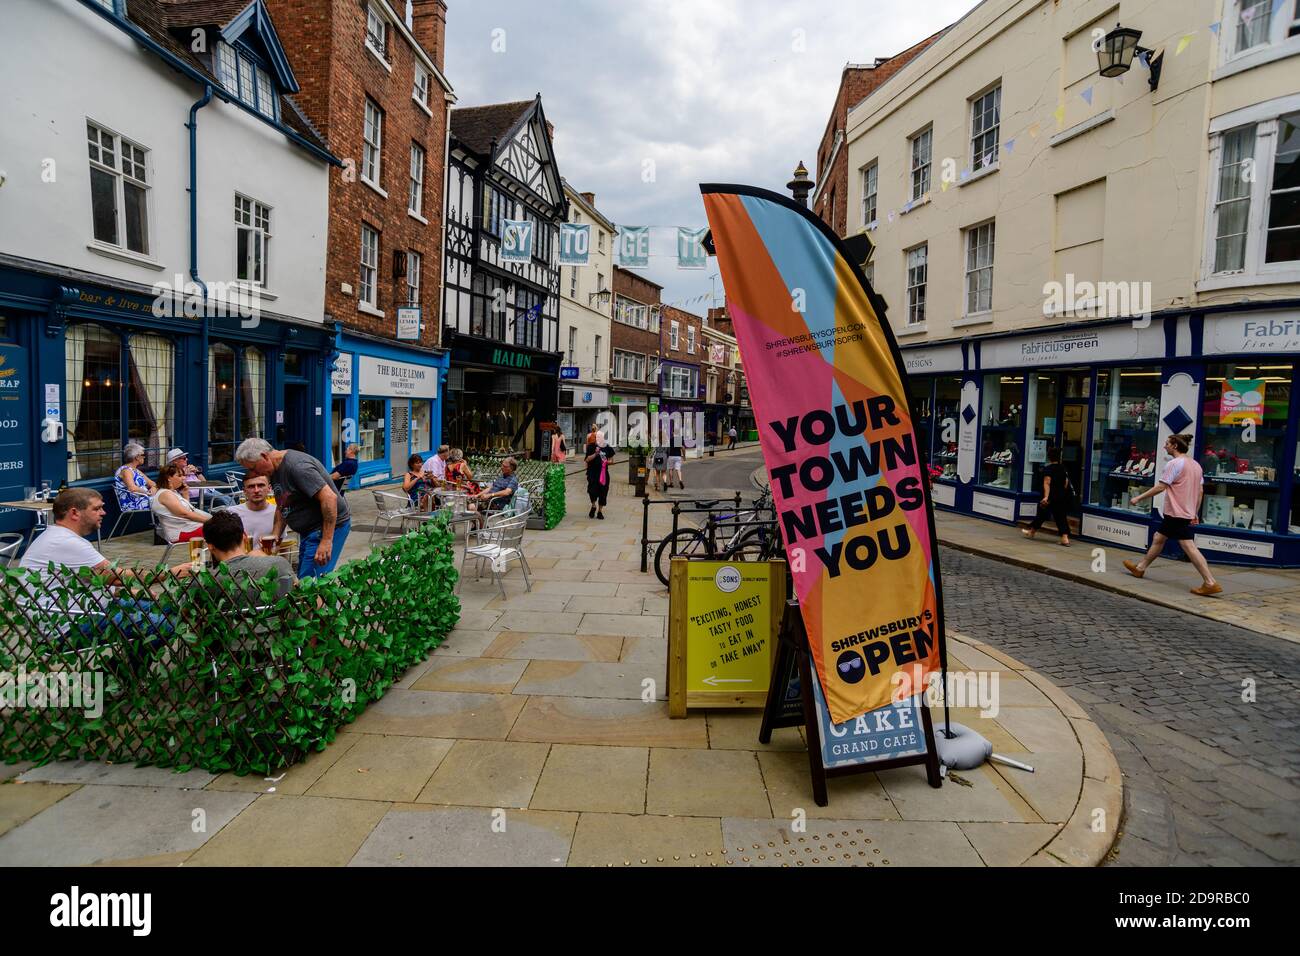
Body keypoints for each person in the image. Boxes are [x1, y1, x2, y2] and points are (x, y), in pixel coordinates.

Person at [19, 488, 183, 642]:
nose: (103, 513)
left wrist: (118, 591)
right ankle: (123, 670)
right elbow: (117, 577)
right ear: (74, 513)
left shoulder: (58, 536)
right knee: (165, 625)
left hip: (79, 611)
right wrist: (171, 573)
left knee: (167, 608)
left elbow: (93, 577)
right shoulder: (66, 542)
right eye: (97, 509)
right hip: (66, 626)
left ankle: (127, 668)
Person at [236, 437, 351, 579]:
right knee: (305, 579)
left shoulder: (297, 466)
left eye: (253, 468)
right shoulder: (274, 469)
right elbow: (283, 504)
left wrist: (326, 540)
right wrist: (275, 536)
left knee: (311, 582)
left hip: (324, 529)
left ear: (264, 456)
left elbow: (329, 498)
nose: (254, 473)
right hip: (309, 531)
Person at [1123, 433, 1222, 596]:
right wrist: (1195, 512)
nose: (1164, 446)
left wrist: (1139, 498)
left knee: (1189, 546)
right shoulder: (1196, 465)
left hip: (1177, 512)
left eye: (1167, 444)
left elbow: (1161, 487)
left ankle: (1210, 582)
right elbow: (1200, 491)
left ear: (1175, 446)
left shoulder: (1174, 464)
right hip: (1182, 512)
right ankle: (1140, 568)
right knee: (1159, 538)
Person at [197, 510, 295, 607]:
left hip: (231, 623)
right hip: (276, 621)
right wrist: (267, 558)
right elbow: (299, 592)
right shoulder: (279, 564)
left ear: (210, 546)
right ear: (244, 537)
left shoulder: (204, 581)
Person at [1022, 448, 1073, 546]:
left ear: (1049, 457)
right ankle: (1065, 538)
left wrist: (1046, 497)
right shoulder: (1063, 468)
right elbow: (1066, 483)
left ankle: (1031, 532)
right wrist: (1061, 492)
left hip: (1051, 497)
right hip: (1061, 496)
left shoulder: (1048, 469)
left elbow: (1047, 483)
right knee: (1061, 517)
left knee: (1042, 514)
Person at [151, 463, 212, 544]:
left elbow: (186, 509)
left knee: (226, 528)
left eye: (183, 475)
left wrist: (185, 494)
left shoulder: (173, 492)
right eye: (179, 476)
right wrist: (212, 522)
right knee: (223, 530)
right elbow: (185, 514)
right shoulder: (166, 494)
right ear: (168, 478)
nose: (184, 478)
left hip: (189, 528)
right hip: (181, 532)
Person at [165, 448, 234, 509]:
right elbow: (176, 486)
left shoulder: (188, 468)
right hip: (196, 495)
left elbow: (204, 482)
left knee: (230, 498)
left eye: (186, 457)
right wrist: (184, 474)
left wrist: (197, 472)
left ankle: (237, 518)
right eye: (184, 458)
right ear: (175, 461)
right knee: (224, 501)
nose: (187, 459)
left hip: (207, 490)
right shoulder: (172, 472)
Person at [229, 473, 277, 542]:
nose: (256, 490)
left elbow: (282, 545)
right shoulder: (233, 513)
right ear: (244, 491)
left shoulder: (276, 512)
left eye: (261, 485)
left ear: (269, 488)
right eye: (251, 486)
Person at [585, 430, 615, 519]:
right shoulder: (591, 447)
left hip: (603, 474)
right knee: (592, 491)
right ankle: (593, 506)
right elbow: (587, 460)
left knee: (603, 492)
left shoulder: (607, 448)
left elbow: (612, 461)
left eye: (601, 437)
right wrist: (595, 454)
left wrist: (606, 462)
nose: (599, 439)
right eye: (597, 437)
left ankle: (600, 511)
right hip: (592, 473)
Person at [115, 443, 156, 507]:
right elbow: (132, 488)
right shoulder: (126, 470)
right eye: (143, 455)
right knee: (166, 499)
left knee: (168, 496)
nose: (144, 457)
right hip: (134, 503)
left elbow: (152, 483)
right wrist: (148, 493)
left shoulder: (135, 470)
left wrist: (154, 488)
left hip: (144, 499)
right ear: (137, 457)